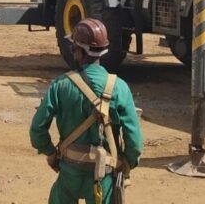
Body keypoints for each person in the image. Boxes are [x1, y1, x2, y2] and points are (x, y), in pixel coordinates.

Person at [30, 18, 143, 203]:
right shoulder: (119, 87)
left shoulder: (60, 85)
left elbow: (37, 130)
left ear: (78, 51)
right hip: (104, 177)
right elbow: (135, 142)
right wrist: (127, 163)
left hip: (69, 173)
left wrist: (50, 153)